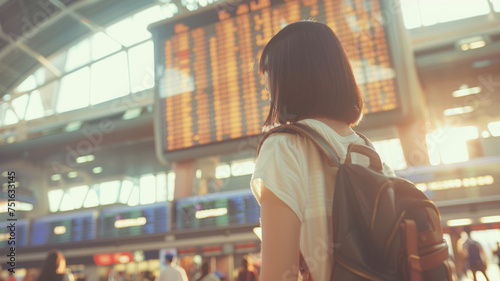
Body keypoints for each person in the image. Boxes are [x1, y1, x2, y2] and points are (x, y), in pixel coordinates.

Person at [250, 20, 395, 281]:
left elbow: (279, 275)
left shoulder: (285, 146)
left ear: (291, 75)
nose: (266, 86)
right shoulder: (368, 153)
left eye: (269, 71)